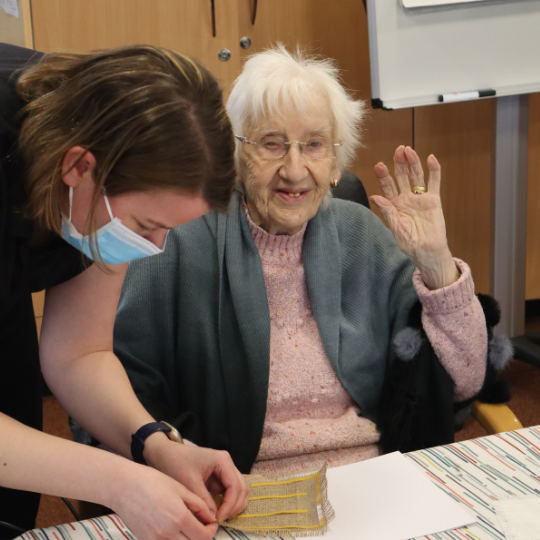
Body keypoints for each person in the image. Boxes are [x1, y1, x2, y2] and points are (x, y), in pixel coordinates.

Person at [110, 46, 489, 476]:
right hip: (238, 490)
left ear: (334, 163)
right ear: (236, 155)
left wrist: (437, 264)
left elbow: (464, 381)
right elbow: (125, 388)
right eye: (272, 144)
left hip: (374, 480)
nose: (294, 170)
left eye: (313, 145)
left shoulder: (361, 236)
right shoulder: (178, 242)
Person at [0, 42, 249, 537]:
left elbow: (80, 352)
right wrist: (120, 482)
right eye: (144, 225)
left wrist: (155, 445)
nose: (151, 248)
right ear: (78, 168)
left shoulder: (101, 156)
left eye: (168, 232)